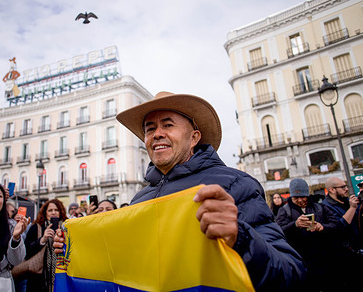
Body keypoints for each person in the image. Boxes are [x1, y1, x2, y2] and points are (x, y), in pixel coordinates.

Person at [55, 92, 306, 291]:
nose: (157, 134)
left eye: (168, 124)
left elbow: (291, 273)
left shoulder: (236, 184)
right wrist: (73, 249)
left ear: (194, 137)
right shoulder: (138, 200)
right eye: (150, 128)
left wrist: (241, 237)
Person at [276, 178, 339, 291]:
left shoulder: (320, 207)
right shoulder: (284, 211)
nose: (300, 200)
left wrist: (323, 227)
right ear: (291, 197)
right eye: (296, 198)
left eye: (303, 197)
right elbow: (279, 232)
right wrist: (295, 225)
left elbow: (336, 225)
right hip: (301, 261)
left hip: (325, 259)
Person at [321, 176, 363, 291]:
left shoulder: (347, 202)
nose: (346, 189)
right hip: (344, 257)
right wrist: (352, 208)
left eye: (346, 186)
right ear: (332, 190)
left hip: (359, 250)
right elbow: (338, 228)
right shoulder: (325, 207)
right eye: (342, 187)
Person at [24, 199, 67, 292]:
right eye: (50, 210)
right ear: (45, 213)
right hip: (39, 278)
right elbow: (26, 250)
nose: (53, 213)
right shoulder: (37, 227)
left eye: (56, 210)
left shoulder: (67, 227)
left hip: (62, 274)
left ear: (61, 212)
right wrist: (42, 240)